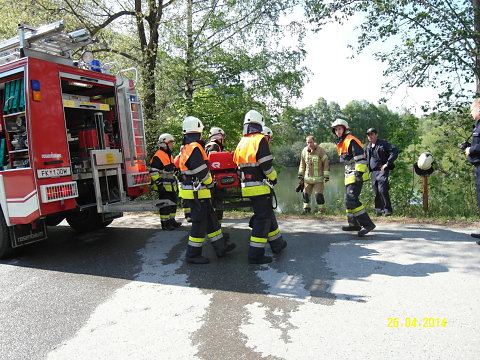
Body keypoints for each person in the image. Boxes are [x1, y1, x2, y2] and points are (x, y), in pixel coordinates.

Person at [178, 116, 235, 264]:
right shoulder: (195, 148)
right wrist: (211, 183)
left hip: (195, 191)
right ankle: (192, 254)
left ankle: (220, 247)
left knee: (211, 220)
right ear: (198, 131)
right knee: (199, 224)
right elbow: (201, 171)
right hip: (197, 192)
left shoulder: (186, 147)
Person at [233, 110, 287, 264]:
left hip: (247, 187)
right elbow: (266, 166)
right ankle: (255, 255)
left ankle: (277, 244)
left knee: (266, 214)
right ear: (259, 124)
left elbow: (237, 166)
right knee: (262, 219)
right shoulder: (260, 139)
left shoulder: (242, 142)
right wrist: (273, 177)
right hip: (260, 186)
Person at [331, 119, 376, 237]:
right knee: (348, 200)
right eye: (336, 130)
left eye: (339, 129)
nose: (337, 131)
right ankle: (353, 224)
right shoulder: (341, 142)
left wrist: (358, 174)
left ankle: (368, 224)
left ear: (345, 129)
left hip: (356, 175)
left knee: (352, 199)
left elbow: (360, 158)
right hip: (349, 175)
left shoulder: (351, 141)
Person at [149, 133, 181, 231]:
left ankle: (171, 221)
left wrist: (178, 173)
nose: (172, 145)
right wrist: (159, 184)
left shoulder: (168, 154)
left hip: (171, 185)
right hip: (163, 185)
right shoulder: (158, 156)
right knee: (164, 205)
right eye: (170, 143)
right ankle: (165, 224)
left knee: (172, 203)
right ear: (165, 143)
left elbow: (172, 168)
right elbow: (153, 172)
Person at [365, 128, 399, 216]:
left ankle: (388, 211)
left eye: (372, 134)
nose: (370, 136)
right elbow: (366, 158)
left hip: (382, 170)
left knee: (382, 189)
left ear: (376, 134)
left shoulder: (383, 144)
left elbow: (394, 151)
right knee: (376, 191)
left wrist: (387, 163)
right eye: (368, 135)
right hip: (373, 172)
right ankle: (378, 211)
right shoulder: (368, 146)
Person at [298, 135, 330, 214]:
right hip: (307, 179)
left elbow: (326, 163)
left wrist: (326, 176)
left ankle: (321, 211)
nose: (309, 144)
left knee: (318, 196)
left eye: (311, 142)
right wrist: (300, 175)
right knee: (305, 195)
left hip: (318, 179)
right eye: (307, 142)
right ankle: (306, 210)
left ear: (314, 141)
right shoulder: (304, 151)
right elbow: (302, 164)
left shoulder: (320, 150)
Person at [465, 98, 480, 245]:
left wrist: (471, 149)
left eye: (472, 109)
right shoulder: (477, 125)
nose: (471, 112)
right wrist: (468, 146)